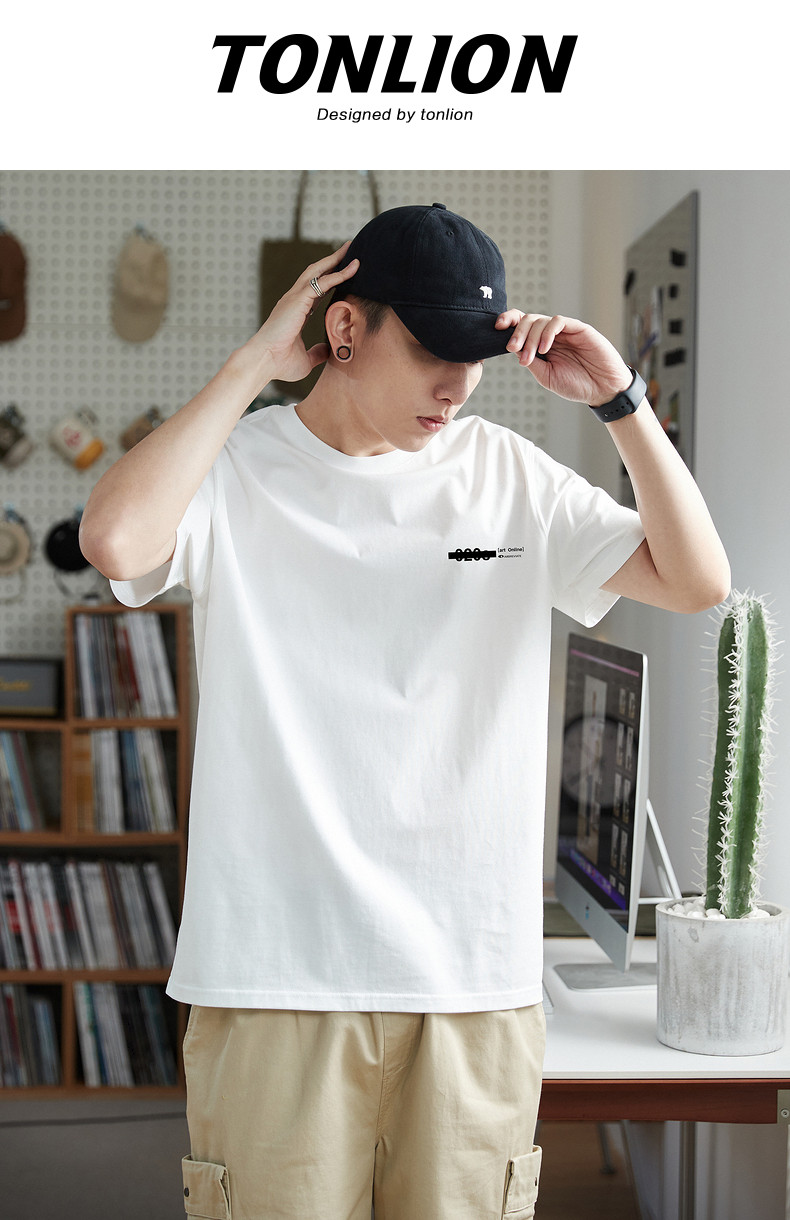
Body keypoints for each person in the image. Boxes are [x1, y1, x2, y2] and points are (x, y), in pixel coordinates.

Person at [79, 202, 730, 1220]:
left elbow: (697, 581)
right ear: (345, 328)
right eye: (431, 350)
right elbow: (116, 542)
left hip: (471, 982)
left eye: (474, 357)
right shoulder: (237, 468)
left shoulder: (508, 475)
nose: (456, 385)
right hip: (273, 978)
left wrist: (622, 401)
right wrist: (254, 363)